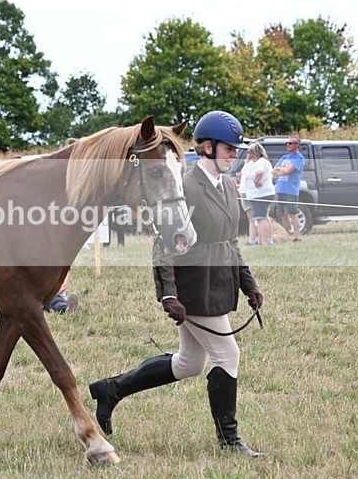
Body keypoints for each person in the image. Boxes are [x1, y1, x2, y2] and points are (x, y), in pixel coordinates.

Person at [89, 110, 265, 457]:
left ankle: (110, 389)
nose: (234, 155)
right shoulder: (183, 185)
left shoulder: (228, 187)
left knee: (189, 363)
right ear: (208, 148)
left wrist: (249, 284)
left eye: (235, 149)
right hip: (193, 287)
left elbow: (230, 242)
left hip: (219, 283)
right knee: (228, 355)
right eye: (229, 149)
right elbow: (162, 243)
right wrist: (168, 292)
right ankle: (229, 442)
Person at [240, 142, 276, 245]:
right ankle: (269, 240)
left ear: (257, 152)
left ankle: (263, 242)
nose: (250, 155)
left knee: (260, 219)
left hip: (260, 194)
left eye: (251, 153)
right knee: (264, 217)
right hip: (267, 192)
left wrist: (256, 181)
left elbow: (259, 172)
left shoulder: (259, 162)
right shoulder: (266, 161)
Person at [272, 136, 305, 242]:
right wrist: (281, 170)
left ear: (297, 145)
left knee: (292, 213)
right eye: (287, 143)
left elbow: (288, 171)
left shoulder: (299, 158)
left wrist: (280, 170)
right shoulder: (284, 158)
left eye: (291, 143)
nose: (288, 145)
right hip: (279, 189)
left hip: (291, 190)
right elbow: (274, 171)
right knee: (283, 214)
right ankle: (285, 236)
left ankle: (297, 237)